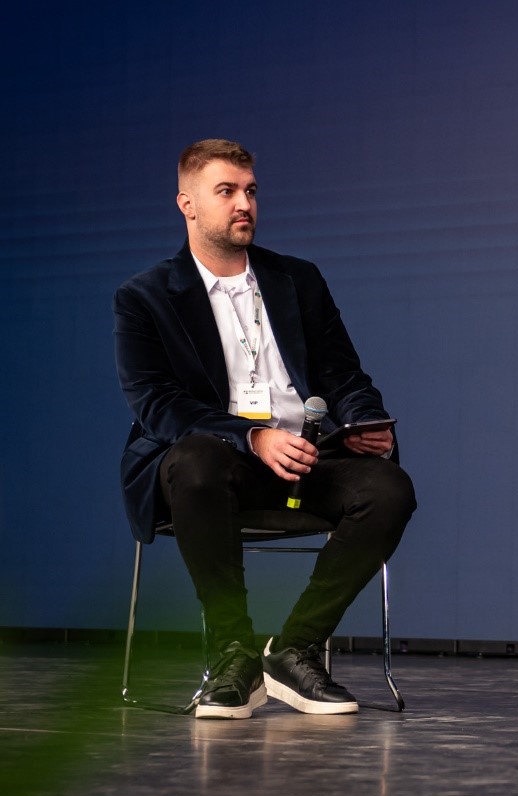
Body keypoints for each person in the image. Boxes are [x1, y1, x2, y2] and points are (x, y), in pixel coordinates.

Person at [115, 139, 417, 720]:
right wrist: (250, 436)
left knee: (389, 490)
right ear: (188, 204)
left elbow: (343, 373)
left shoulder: (297, 280)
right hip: (216, 466)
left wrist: (360, 422)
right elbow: (157, 404)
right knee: (196, 460)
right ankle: (233, 653)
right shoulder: (145, 296)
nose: (243, 204)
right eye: (225, 191)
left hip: (303, 458)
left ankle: (296, 649)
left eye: (250, 191)